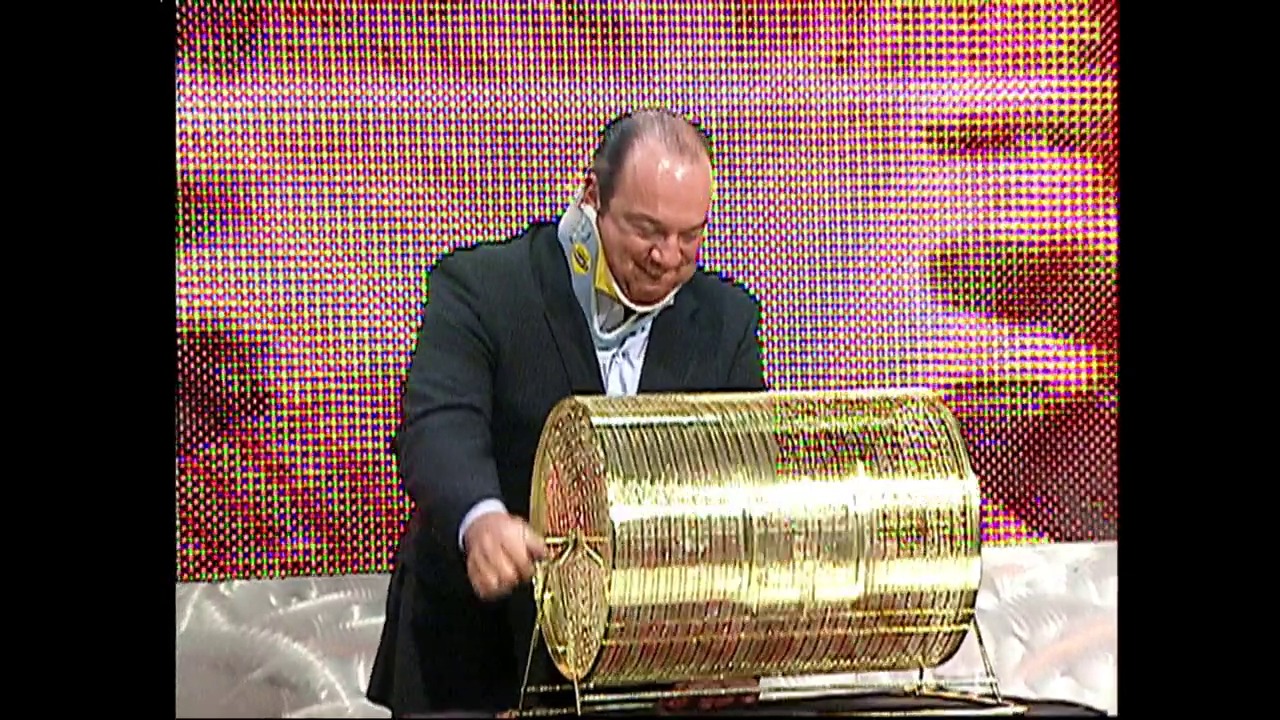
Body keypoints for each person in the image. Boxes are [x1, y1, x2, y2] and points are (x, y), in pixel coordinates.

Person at [366, 107, 767, 715]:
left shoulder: (726, 321)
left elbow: (745, 489)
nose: (667, 258)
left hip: (645, 677)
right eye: (646, 230)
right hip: (474, 664)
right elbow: (440, 422)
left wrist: (727, 644)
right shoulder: (482, 286)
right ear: (592, 197)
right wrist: (481, 520)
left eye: (691, 237)